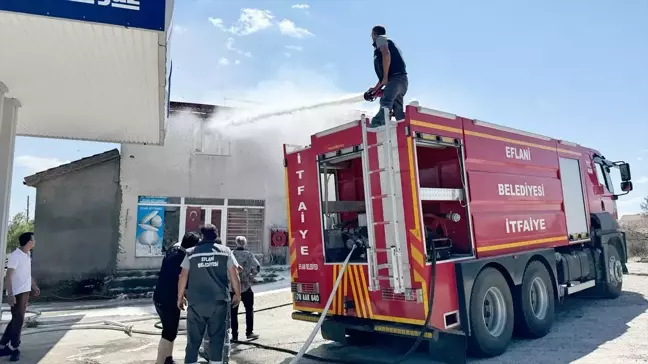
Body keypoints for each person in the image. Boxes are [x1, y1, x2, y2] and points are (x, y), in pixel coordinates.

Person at [177, 224, 242, 364]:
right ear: (216, 235)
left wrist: (180, 297)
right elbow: (234, 274)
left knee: (193, 341)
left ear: (202, 236)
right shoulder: (226, 252)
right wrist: (238, 294)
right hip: (219, 302)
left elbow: (183, 276)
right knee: (217, 340)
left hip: (196, 303)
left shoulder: (191, 253)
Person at [152, 232, 200, 364]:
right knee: (169, 332)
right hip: (168, 300)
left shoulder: (173, 251)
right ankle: (160, 361)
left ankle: (168, 358)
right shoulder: (181, 259)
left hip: (160, 296)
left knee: (171, 329)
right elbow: (182, 279)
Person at [0, 232, 40, 362]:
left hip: (25, 291)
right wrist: (10, 295)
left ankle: (3, 344)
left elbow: (27, 275)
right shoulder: (15, 256)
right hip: (17, 293)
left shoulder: (27, 255)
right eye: (33, 240)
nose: (34, 242)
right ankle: (14, 348)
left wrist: (34, 286)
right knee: (19, 320)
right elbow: (8, 276)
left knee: (16, 319)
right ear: (28, 242)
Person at [369, 25, 409, 127]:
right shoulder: (391, 43)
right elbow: (384, 77)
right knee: (398, 110)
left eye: (372, 35)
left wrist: (386, 77)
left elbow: (386, 55)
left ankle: (375, 128)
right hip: (402, 81)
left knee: (385, 103)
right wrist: (375, 88)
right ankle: (404, 130)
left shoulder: (380, 39)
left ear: (374, 34)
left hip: (394, 80)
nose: (372, 37)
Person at [230, 236, 261, 342]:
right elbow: (257, 266)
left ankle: (234, 335)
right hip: (246, 286)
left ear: (236, 243)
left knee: (233, 312)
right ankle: (249, 332)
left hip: (233, 288)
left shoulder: (231, 254)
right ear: (245, 244)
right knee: (249, 309)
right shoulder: (249, 255)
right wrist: (251, 277)